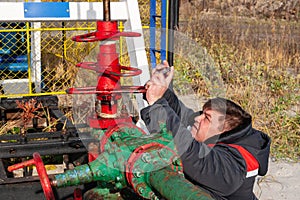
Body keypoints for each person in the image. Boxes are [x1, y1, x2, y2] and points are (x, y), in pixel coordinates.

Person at [140, 60, 271, 200]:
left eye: (206, 118)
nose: (198, 119)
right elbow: (185, 119)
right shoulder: (223, 137)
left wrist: (157, 105)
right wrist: (164, 93)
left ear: (222, 130)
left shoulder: (235, 165)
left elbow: (194, 157)